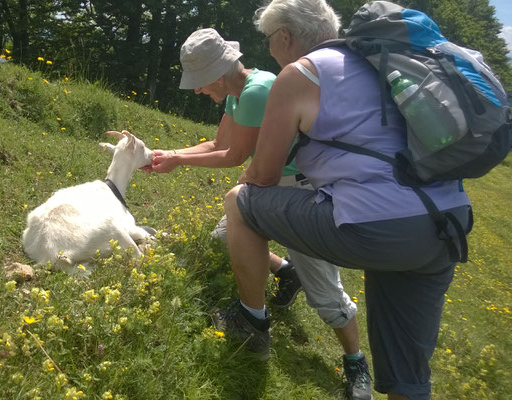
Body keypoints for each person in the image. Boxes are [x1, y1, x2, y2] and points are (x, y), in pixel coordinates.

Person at [221, 1, 472, 399]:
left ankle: (251, 326)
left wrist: (246, 183)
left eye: (269, 40)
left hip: (377, 227)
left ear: (284, 36)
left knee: (239, 202)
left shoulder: (299, 74)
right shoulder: (387, 66)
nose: (269, 49)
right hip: (448, 226)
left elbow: (264, 176)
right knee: (410, 378)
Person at [147, 28, 372, 399]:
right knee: (225, 235)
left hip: (298, 190)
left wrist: (178, 161)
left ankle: (356, 361)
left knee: (326, 292)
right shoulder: (239, 93)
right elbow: (219, 142)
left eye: (201, 84)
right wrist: (170, 154)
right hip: (268, 184)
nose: (200, 91)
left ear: (217, 75)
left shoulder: (254, 93)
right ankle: (287, 273)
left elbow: (234, 156)